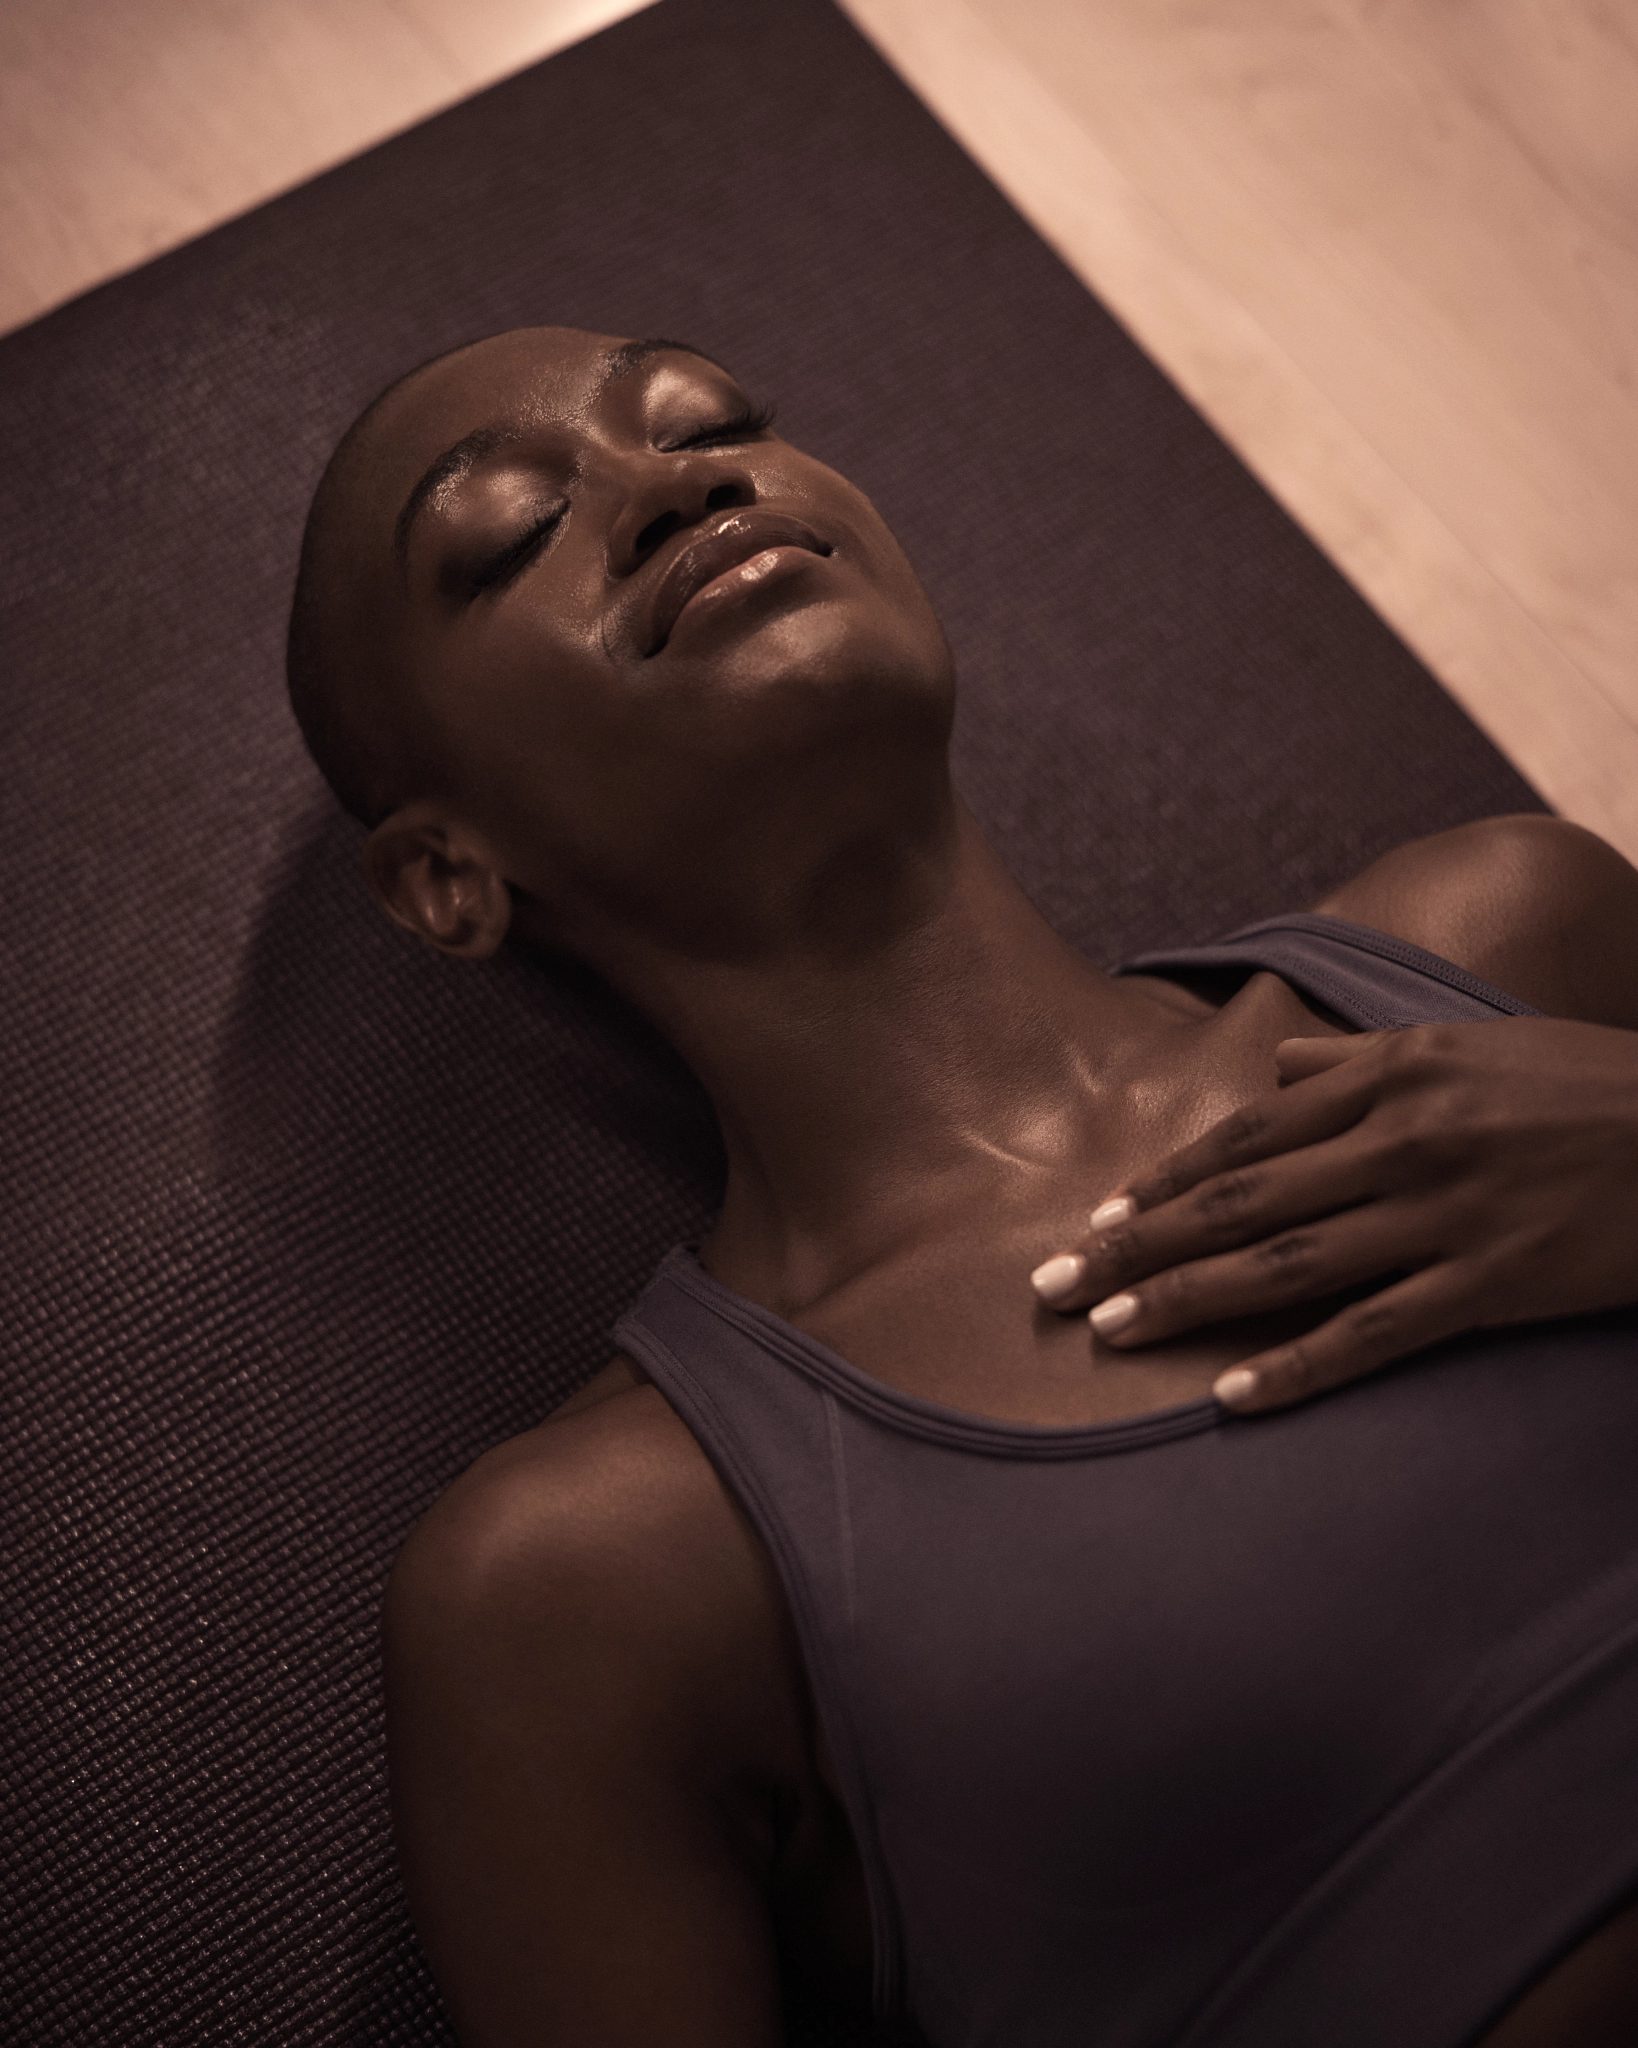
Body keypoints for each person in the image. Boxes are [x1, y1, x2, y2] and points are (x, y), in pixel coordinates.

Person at [284, 325, 1638, 2045]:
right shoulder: (584, 1586)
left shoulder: (1510, 935)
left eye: (716, 420)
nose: (671, 479)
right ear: (447, 878)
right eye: (505, 532)